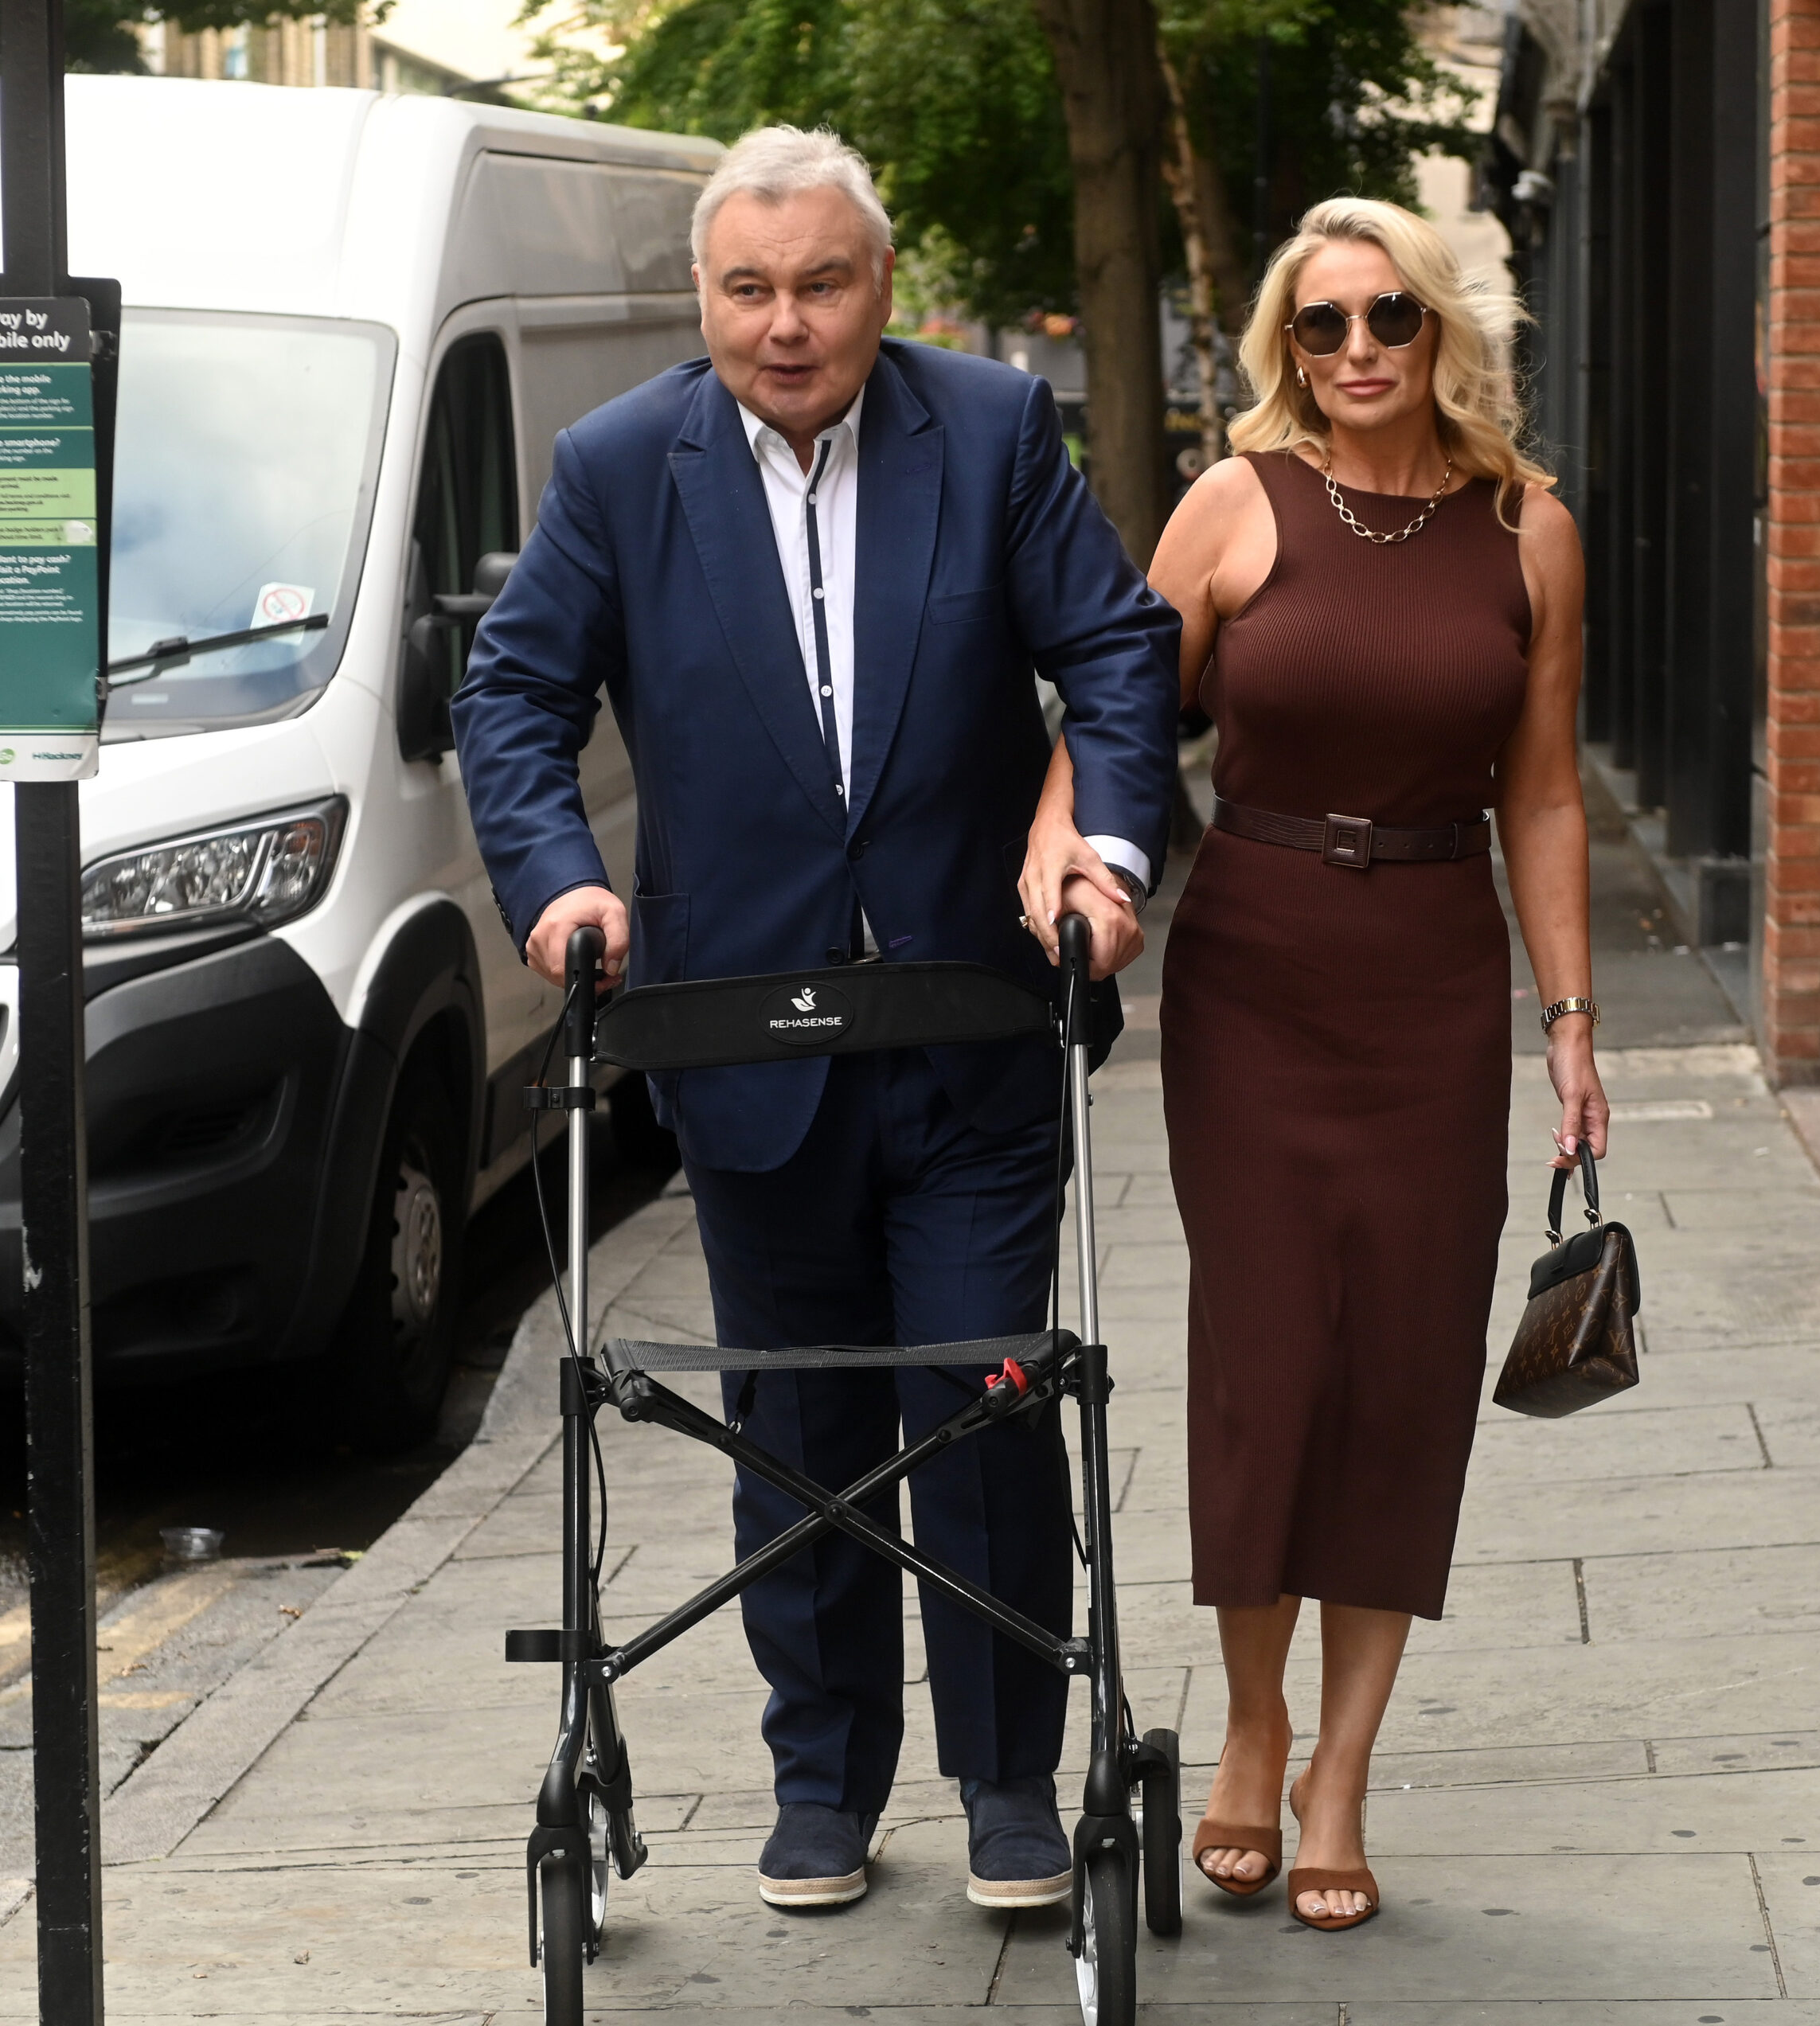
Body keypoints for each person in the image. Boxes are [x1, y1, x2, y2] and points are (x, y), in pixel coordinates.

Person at [453, 126, 1180, 1914]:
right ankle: (821, 1786)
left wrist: (1093, 845)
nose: (785, 324)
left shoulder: (993, 430)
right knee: (794, 1435)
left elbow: (1115, 646)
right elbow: (514, 690)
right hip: (740, 1045)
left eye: (821, 283)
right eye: (747, 289)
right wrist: (558, 882)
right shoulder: (620, 467)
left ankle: (1009, 1780)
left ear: (879, 279)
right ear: (703, 295)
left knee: (982, 1400)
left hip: (971, 1027)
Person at [1021, 196, 1609, 1932]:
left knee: (1406, 1370)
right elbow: (1120, 717)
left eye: (1386, 320)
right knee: (1268, 1356)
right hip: (1257, 978)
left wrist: (1569, 1021)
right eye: (1319, 326)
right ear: (1289, 344)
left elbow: (1546, 792)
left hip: (1433, 982)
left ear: (1440, 331)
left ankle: (1341, 1766)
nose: (1353, 352)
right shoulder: (1235, 504)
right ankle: (1251, 1719)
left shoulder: (1527, 529)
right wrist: (1070, 854)